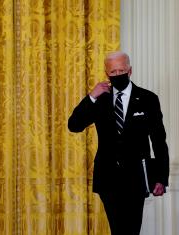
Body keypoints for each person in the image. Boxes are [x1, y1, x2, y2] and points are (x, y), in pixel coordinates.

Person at [68, 51, 169, 235]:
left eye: (121, 70)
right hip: (108, 177)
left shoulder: (148, 99)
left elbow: (159, 140)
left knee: (131, 230)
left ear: (130, 71)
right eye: (113, 72)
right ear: (107, 73)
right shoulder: (100, 100)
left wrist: (161, 177)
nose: (117, 75)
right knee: (118, 230)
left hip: (136, 177)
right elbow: (74, 125)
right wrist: (91, 96)